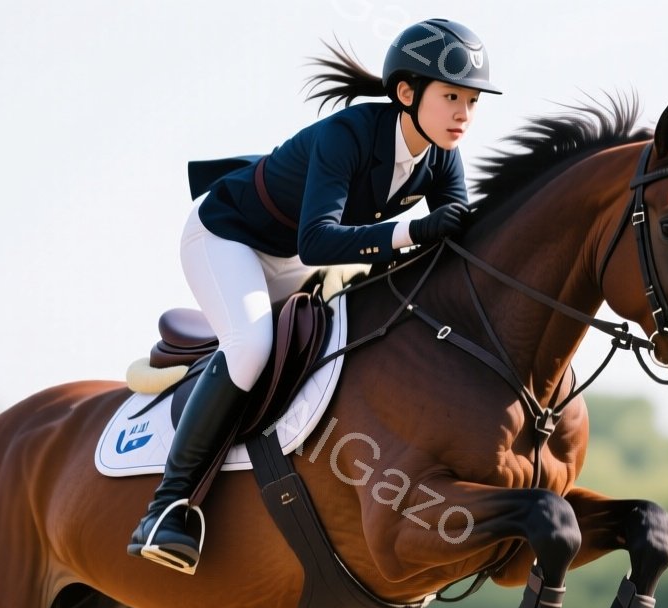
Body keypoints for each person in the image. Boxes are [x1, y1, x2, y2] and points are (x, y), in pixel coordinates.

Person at [129, 18, 502, 574]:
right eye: (451, 97)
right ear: (406, 93)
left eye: (471, 101)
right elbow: (319, 239)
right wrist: (413, 232)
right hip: (227, 237)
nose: (463, 115)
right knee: (252, 345)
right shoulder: (346, 136)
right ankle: (167, 508)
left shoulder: (442, 158)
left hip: (292, 260)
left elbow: (455, 247)